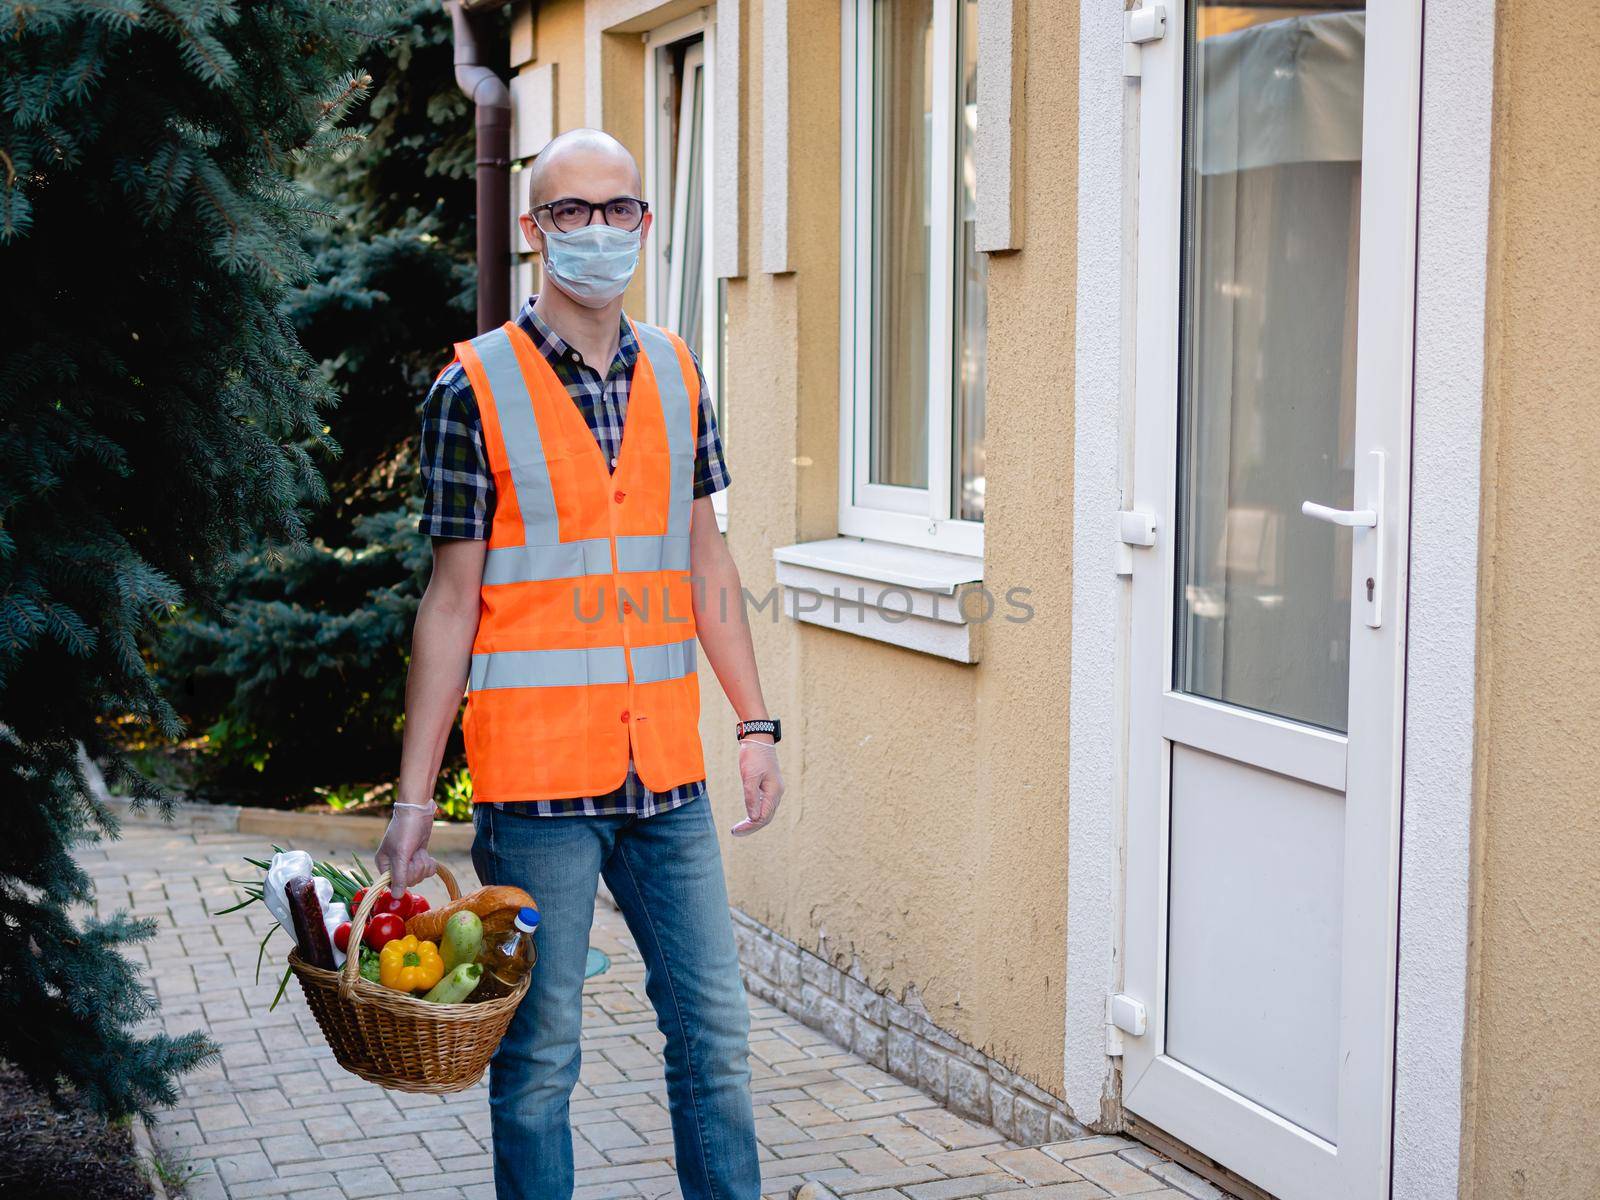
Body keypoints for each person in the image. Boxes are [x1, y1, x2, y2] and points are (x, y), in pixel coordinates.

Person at [375, 127, 783, 1200]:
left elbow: (705, 557)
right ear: (533, 230)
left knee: (716, 1038)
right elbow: (450, 600)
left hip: (668, 779)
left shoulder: (681, 370)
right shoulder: (471, 388)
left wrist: (753, 720)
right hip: (538, 786)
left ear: (644, 224)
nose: (597, 230)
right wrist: (415, 800)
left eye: (619, 210)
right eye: (571, 211)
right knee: (541, 1060)